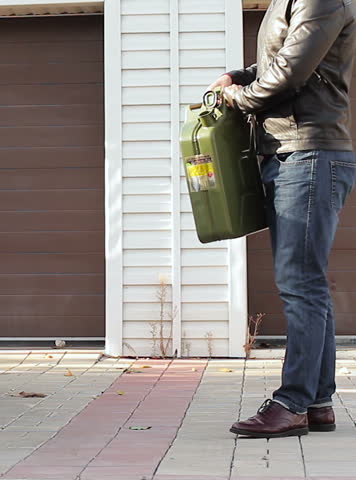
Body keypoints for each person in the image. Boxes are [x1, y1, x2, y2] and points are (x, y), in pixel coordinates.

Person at [208, 0, 356, 438]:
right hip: (287, 152)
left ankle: (291, 402)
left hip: (308, 151)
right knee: (306, 281)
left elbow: (293, 69)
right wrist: (240, 75)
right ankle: (317, 401)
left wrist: (241, 97)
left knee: (301, 283)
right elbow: (278, 59)